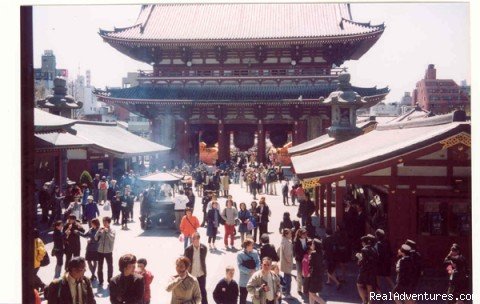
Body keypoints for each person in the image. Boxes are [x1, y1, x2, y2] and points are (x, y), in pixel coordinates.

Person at [184, 232, 209, 304]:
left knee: (203, 292)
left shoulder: (204, 248)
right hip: (192, 275)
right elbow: (185, 262)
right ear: (192, 240)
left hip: (201, 274)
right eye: (193, 239)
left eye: (197, 239)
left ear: (199, 239)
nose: (195, 240)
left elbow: (203, 260)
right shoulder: (188, 250)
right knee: (191, 293)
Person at [356, 235, 378, 304]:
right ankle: (370, 302)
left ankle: (364, 300)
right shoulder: (374, 249)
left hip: (364, 271)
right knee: (370, 288)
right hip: (372, 271)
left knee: (359, 285)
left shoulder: (364, 250)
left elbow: (362, 262)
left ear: (364, 243)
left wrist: (359, 257)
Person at [237, 238, 261, 304]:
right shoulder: (240, 254)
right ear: (247, 246)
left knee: (255, 297)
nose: (253, 246)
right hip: (244, 279)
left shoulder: (255, 252)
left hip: (254, 278)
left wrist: (256, 269)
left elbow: (258, 262)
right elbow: (240, 266)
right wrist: (249, 271)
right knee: (242, 297)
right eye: (251, 245)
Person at [95, 216, 116, 287]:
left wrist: (107, 232)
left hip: (108, 251)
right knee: (100, 267)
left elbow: (112, 239)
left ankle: (110, 280)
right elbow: (95, 238)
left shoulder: (112, 230)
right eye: (103, 221)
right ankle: (100, 281)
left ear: (109, 222)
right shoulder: (101, 229)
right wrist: (98, 232)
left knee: (110, 266)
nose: (104, 223)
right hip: (100, 251)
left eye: (106, 222)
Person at [306, 238, 327, 304]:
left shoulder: (313, 254)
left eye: (312, 244)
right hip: (319, 276)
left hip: (314, 276)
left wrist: (309, 258)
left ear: (315, 245)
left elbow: (310, 264)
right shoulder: (321, 253)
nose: (311, 245)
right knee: (311, 293)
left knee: (312, 294)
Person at [279, 228, 293, 299]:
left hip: (284, 262)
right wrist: (289, 261)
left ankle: (284, 290)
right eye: (290, 233)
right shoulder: (287, 242)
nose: (291, 234)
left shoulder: (283, 240)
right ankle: (288, 293)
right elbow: (287, 254)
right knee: (288, 279)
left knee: (285, 277)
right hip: (287, 263)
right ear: (286, 234)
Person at [293, 228, 308, 295]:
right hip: (299, 259)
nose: (305, 235)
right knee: (299, 274)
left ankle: (305, 288)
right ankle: (299, 289)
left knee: (306, 274)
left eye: (306, 234)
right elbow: (296, 252)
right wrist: (303, 254)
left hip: (306, 259)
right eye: (304, 234)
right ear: (300, 234)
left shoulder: (307, 239)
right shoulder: (296, 241)